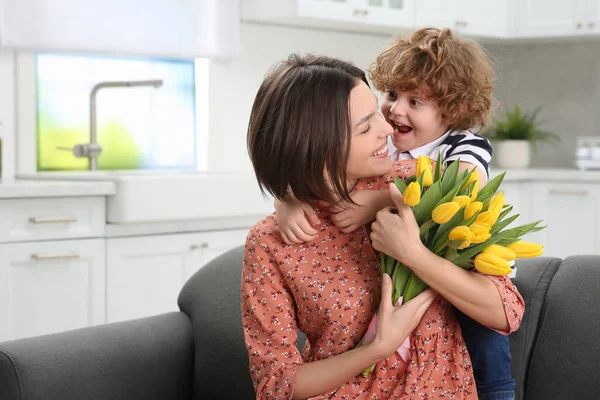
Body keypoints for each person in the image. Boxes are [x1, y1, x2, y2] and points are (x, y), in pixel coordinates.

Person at [242, 53, 524, 399]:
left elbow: (506, 311)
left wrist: (413, 254)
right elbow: (275, 385)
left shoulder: (420, 187)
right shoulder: (271, 242)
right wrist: (376, 348)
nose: (388, 128)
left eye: (378, 112)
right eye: (366, 126)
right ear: (317, 147)